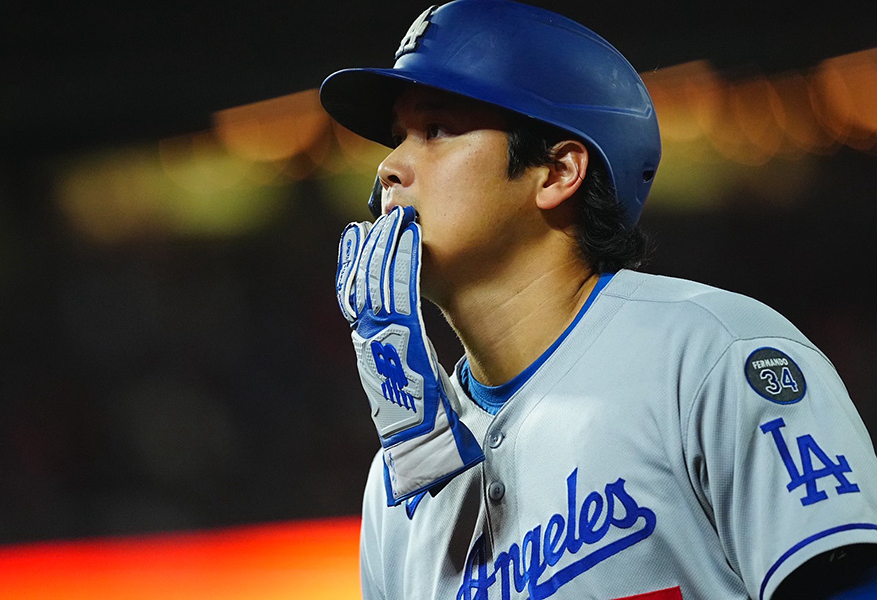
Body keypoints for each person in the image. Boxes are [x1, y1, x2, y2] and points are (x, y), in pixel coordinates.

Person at [320, 1, 877, 598]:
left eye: (436, 130)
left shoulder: (713, 356)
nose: (390, 166)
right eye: (398, 136)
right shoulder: (396, 485)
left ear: (558, 172)